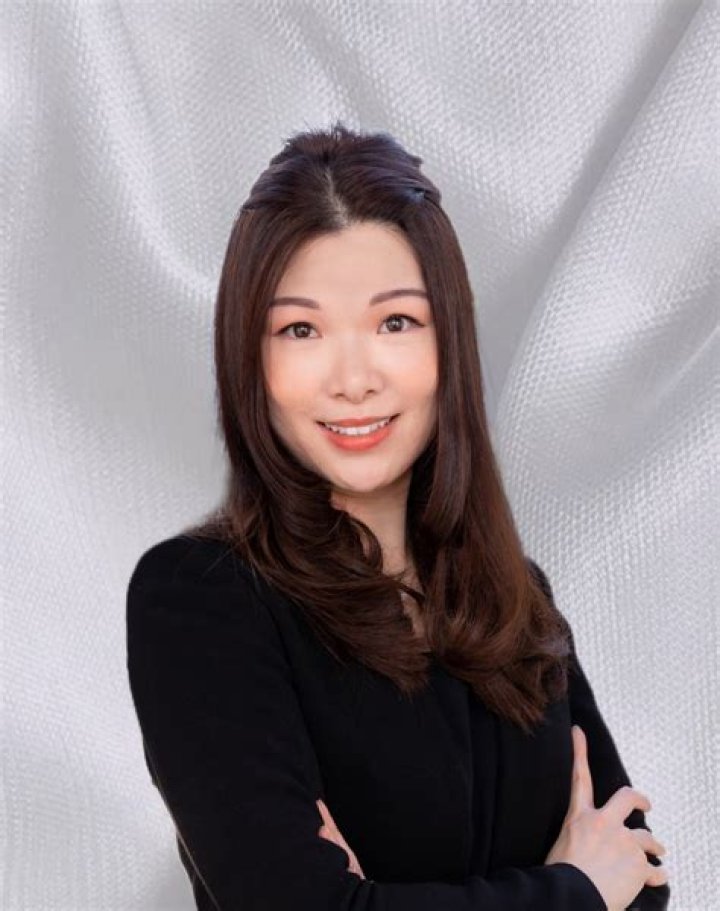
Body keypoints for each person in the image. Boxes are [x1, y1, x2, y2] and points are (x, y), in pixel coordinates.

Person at [125, 121, 671, 910]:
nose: (353, 379)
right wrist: (573, 888)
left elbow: (643, 882)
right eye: (301, 329)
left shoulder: (516, 598)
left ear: (448, 345)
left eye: (395, 322)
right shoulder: (201, 599)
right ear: (250, 358)